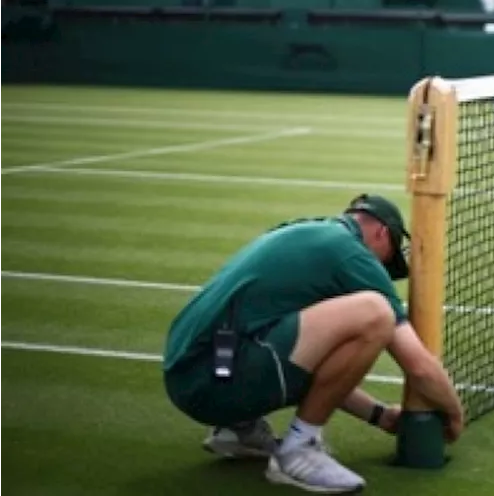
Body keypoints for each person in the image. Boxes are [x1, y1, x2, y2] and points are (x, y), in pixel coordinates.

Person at [162, 194, 466, 494]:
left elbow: (317, 364)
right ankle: (298, 449)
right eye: (387, 258)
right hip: (215, 384)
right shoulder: (352, 254)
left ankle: (239, 428)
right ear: (381, 233)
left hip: (192, 374)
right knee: (376, 313)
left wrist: (380, 415)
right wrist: (454, 414)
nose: (381, 269)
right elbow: (419, 366)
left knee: (279, 323)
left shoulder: (300, 231)